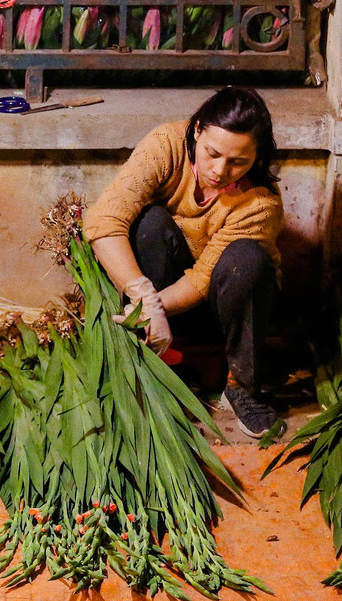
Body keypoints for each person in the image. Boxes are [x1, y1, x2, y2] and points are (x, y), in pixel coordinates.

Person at [83, 87, 285, 437]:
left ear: (257, 155)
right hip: (155, 297)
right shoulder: (166, 145)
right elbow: (104, 220)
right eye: (213, 153)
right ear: (196, 131)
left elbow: (203, 278)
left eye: (239, 161)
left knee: (248, 259)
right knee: (150, 223)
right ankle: (145, 365)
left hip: (219, 307)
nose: (221, 170)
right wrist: (143, 297)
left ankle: (242, 389)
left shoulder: (259, 203)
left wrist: (155, 306)